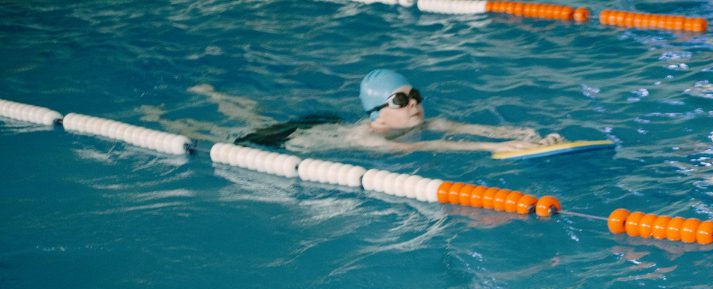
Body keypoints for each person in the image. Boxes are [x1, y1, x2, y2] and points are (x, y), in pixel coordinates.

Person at [141, 69, 562, 155]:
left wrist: (524, 134)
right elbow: (435, 146)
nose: (414, 103)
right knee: (220, 132)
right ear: (379, 112)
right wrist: (504, 146)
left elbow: (461, 127)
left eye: (414, 94)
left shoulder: (420, 119)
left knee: (252, 113)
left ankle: (212, 89)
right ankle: (160, 119)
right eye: (400, 100)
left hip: (325, 124)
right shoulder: (371, 138)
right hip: (296, 140)